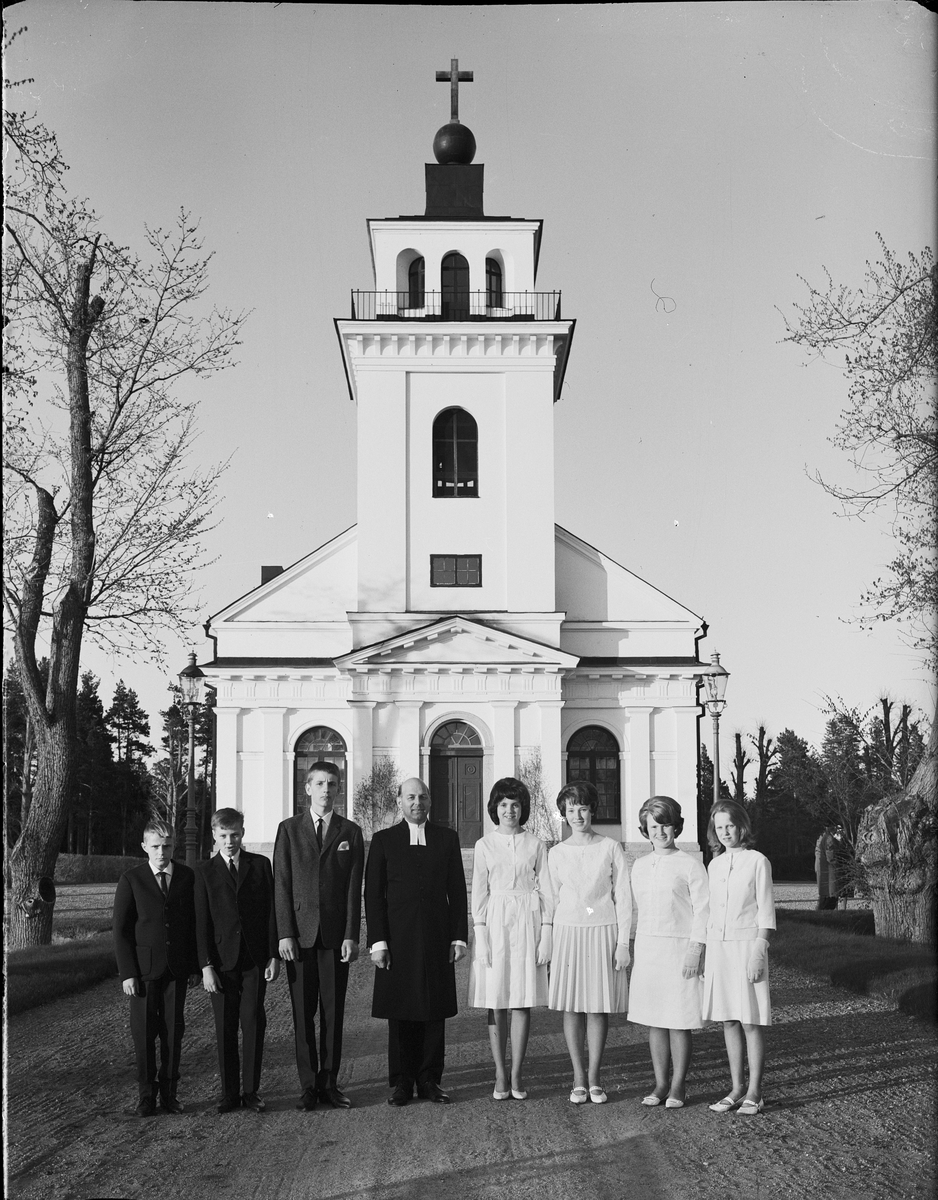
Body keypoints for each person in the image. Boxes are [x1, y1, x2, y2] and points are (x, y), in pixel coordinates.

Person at [365, 776, 468, 1107]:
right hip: (398, 938)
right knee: (401, 1010)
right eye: (410, 797)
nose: (417, 803)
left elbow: (457, 891)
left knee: (433, 1009)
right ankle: (402, 1081)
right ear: (400, 801)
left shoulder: (447, 839)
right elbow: (373, 895)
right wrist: (378, 940)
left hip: (437, 936)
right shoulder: (383, 841)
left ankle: (430, 1079)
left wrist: (458, 937)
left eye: (422, 797)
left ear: (430, 801)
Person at [274, 760, 365, 1111]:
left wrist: (350, 935)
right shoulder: (289, 830)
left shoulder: (350, 832)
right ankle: (308, 1086)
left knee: (332, 1012)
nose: (326, 790)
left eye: (332, 784)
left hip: (333, 937)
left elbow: (353, 888)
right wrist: (284, 933)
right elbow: (281, 884)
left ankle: (329, 1083)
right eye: (319, 784)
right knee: (302, 1012)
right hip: (299, 937)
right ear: (307, 788)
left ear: (338, 789)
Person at [468, 777, 553, 1101]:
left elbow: (546, 890)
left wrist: (546, 931)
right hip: (495, 923)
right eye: (503, 804)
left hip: (526, 923)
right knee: (496, 1000)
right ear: (495, 808)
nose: (509, 810)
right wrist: (481, 934)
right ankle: (500, 1074)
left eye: (515, 804)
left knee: (521, 998)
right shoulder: (484, 845)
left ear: (523, 808)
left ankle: (517, 1072)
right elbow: (479, 893)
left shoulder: (535, 844)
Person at [547, 780, 631, 1105]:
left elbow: (622, 896)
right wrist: (549, 943)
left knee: (597, 1006)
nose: (577, 815)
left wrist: (623, 941)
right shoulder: (555, 853)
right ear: (564, 814)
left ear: (592, 809)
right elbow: (552, 900)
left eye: (582, 807)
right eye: (571, 809)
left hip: (602, 930)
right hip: (568, 932)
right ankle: (578, 1077)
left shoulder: (610, 847)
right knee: (571, 1005)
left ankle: (595, 1077)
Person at [195, 808, 280, 1113]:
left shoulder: (260, 865)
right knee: (225, 1027)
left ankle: (251, 1091)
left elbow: (271, 912)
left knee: (253, 1023)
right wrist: (205, 965)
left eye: (234, 835)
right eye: (223, 836)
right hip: (220, 962)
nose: (229, 841)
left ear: (243, 833)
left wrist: (272, 955)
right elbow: (201, 922)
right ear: (214, 836)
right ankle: (229, 1094)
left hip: (254, 959)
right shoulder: (204, 872)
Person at [628, 796, 709, 1109]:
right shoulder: (639, 865)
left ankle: (678, 1084)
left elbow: (704, 910)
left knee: (679, 1018)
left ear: (676, 826)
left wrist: (695, 949)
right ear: (645, 830)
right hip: (649, 947)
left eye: (665, 825)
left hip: (679, 948)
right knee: (655, 1019)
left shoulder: (690, 864)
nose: (660, 832)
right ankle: (661, 1082)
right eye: (653, 826)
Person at [113, 819, 197, 1117]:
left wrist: (196, 966)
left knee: (174, 1032)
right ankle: (146, 1096)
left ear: (174, 845)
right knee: (144, 1034)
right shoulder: (132, 879)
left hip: (177, 969)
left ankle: (170, 1094)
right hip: (143, 972)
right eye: (156, 846)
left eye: (167, 846)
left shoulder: (187, 877)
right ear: (145, 847)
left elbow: (193, 925)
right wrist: (128, 974)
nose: (162, 852)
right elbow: (121, 930)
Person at [702, 799, 776, 1117]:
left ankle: (755, 1091)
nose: (725, 832)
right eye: (719, 827)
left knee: (750, 1020)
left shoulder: (757, 862)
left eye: (729, 825)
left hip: (747, 948)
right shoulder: (714, 864)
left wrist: (759, 950)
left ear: (741, 826)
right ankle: (736, 1088)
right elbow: (710, 913)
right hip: (720, 949)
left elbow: (766, 911)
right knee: (728, 1019)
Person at [815, 826, 838, 911]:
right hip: (828, 871)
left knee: (823, 895)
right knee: (829, 896)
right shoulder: (829, 838)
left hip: (822, 870)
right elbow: (830, 857)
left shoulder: (821, 838)